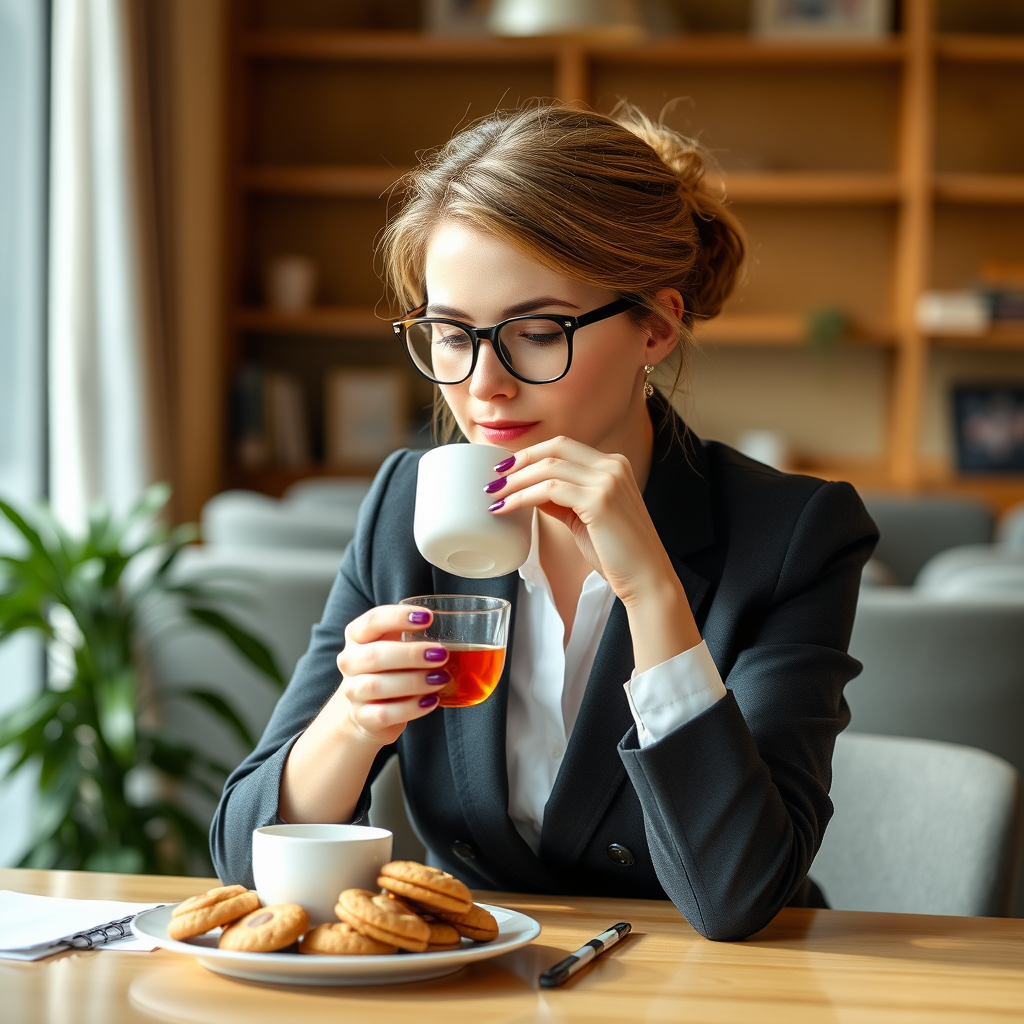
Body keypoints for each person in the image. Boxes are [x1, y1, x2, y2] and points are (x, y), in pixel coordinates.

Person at [211, 104, 877, 942]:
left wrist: (652, 593)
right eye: (450, 334)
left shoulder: (793, 536)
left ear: (656, 327)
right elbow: (241, 859)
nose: (482, 384)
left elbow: (737, 895)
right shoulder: (405, 505)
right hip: (484, 982)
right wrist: (351, 718)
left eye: (536, 333)